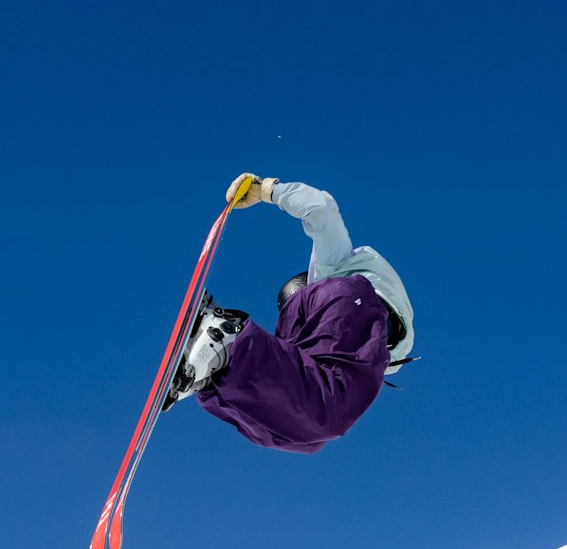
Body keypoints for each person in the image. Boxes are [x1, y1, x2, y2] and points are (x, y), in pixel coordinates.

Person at [165, 174, 415, 454]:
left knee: (304, 433)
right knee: (328, 410)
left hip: (348, 312)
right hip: (352, 301)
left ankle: (213, 374)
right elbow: (322, 208)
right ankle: (228, 343)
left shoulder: (352, 342)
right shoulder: (334, 269)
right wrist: (266, 190)